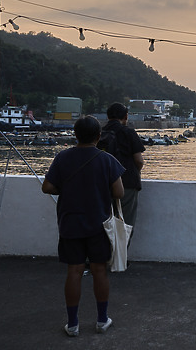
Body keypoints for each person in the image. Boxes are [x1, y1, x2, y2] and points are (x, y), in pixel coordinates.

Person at [42, 115, 125, 337]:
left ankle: (73, 324)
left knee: (74, 271)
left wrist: (67, 190)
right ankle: (101, 319)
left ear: (75, 135)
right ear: (99, 136)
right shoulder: (106, 160)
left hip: (70, 223)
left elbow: (47, 186)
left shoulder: (62, 158)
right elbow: (119, 192)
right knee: (99, 271)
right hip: (99, 225)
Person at [102, 103, 145, 234]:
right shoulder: (129, 132)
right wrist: (136, 172)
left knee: (105, 223)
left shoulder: (100, 133)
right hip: (127, 183)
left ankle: (104, 253)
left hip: (104, 183)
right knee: (125, 225)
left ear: (108, 116)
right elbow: (139, 160)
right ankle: (120, 253)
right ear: (126, 116)